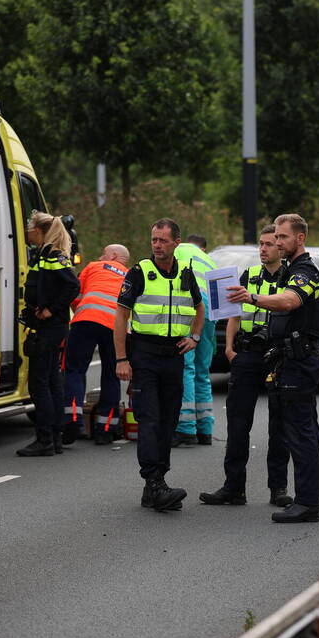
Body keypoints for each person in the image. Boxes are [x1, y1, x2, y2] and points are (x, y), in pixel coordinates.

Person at [227, 213, 319, 523]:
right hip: (288, 360)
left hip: (299, 362)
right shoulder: (290, 269)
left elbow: (289, 302)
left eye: (282, 237)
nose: (277, 242)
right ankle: (312, 498)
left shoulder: (305, 271)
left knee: (300, 433)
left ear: (300, 239)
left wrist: (253, 297)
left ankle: (309, 502)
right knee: (304, 429)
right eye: (275, 237)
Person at [114, 218, 205, 512]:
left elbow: (200, 306)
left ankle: (156, 485)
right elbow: (120, 317)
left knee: (168, 420)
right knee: (150, 420)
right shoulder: (140, 271)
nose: (157, 245)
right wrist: (121, 359)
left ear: (176, 243)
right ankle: (155, 483)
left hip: (174, 356)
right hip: (144, 355)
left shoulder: (186, 274)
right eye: (154, 240)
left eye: (163, 240)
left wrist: (195, 336)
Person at [199, 224, 292, 508]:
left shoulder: (292, 277)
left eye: (268, 244)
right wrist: (229, 349)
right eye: (260, 244)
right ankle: (233, 487)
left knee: (280, 423)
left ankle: (278, 488)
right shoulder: (248, 276)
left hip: (278, 355)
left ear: (280, 246)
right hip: (247, 353)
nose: (263, 249)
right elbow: (234, 315)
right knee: (238, 423)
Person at [16, 212, 80, 457]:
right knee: (51, 381)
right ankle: (54, 437)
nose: (27, 231)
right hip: (47, 327)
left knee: (39, 383)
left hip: (51, 328)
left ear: (41, 231)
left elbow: (72, 285)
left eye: (30, 227)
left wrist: (51, 309)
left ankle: (45, 439)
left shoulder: (53, 255)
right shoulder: (43, 254)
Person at [63, 244, 129, 445]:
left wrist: (83, 309)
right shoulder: (130, 275)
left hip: (86, 320)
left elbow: (75, 295)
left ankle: (72, 420)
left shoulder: (93, 266)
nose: (101, 255)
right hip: (114, 327)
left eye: (104, 252)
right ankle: (105, 429)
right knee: (111, 374)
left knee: (74, 370)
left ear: (114, 256)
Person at [171, 234, 218, 447]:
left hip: (190, 309)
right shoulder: (210, 260)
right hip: (209, 314)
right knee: (202, 371)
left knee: (186, 368)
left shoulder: (178, 249)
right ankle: (205, 429)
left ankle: (186, 429)